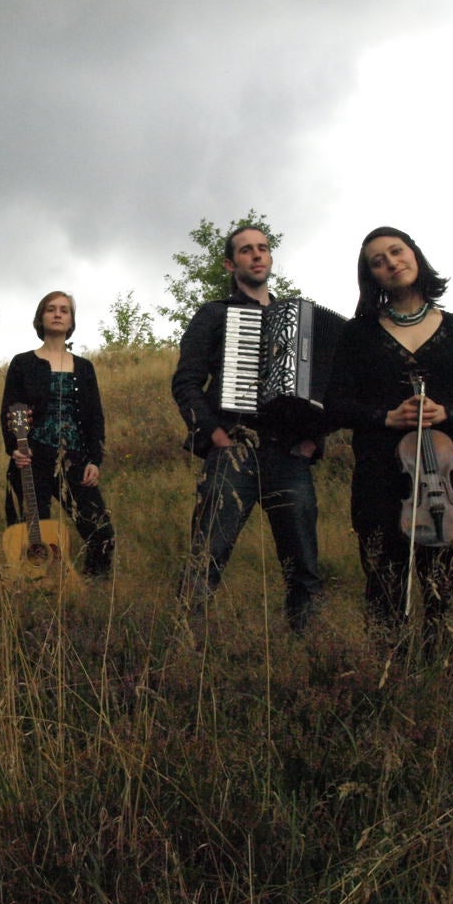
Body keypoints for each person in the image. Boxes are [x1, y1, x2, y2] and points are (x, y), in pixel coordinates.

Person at [325, 226, 453, 656]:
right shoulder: (358, 334)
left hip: (449, 476)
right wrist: (385, 416)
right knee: (384, 586)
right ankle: (390, 678)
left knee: (445, 589)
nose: (390, 262)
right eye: (377, 261)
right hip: (380, 476)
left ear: (414, 255)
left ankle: (440, 676)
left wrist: (448, 413)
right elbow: (336, 405)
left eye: (396, 252)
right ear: (371, 276)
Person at [171, 224, 324, 630]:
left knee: (303, 563)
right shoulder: (216, 314)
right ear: (230, 263)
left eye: (263, 248)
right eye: (246, 250)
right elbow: (185, 383)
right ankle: (186, 647)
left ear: (270, 258)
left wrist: (313, 439)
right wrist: (212, 433)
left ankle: (305, 649)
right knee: (208, 554)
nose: (256, 255)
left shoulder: (302, 319)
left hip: (289, 452)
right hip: (233, 448)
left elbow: (323, 388)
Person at [0, 291, 115, 579]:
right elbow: (10, 410)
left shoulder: (84, 367)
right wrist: (15, 448)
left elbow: (95, 417)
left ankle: (93, 590)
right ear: (41, 317)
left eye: (65, 310)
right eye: (51, 309)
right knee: (32, 535)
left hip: (75, 458)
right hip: (32, 457)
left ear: (72, 320)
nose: (58, 313)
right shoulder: (23, 363)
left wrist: (94, 460)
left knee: (102, 531)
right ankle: (40, 593)